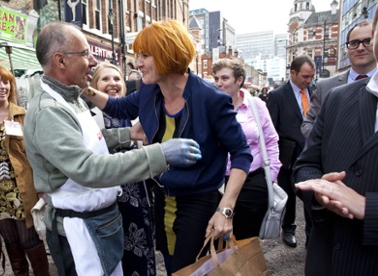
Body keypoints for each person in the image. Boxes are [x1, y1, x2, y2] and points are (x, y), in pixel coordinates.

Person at [23, 21, 201, 276]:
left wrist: (126, 134)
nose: (93, 61)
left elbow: (86, 140)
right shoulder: (49, 111)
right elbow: (87, 168)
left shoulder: (69, 98)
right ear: (60, 61)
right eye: (85, 54)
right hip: (80, 231)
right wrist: (161, 154)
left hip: (97, 223)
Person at [82, 20, 252, 274]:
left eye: (145, 55)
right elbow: (118, 107)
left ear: (167, 53)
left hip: (198, 202)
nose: (137, 63)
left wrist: (225, 210)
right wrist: (81, 88)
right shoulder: (150, 92)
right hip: (162, 199)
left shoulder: (211, 99)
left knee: (188, 268)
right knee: (172, 265)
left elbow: (241, 154)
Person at [292, 11, 378, 275]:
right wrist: (319, 193)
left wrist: (367, 207)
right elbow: (305, 165)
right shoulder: (337, 97)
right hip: (327, 259)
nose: (361, 46)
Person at [0, 61, 49, 275]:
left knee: (29, 239)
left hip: (21, 190)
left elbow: (37, 154)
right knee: (11, 241)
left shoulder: (22, 114)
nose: (3, 86)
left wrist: (42, 187)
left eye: (7, 82)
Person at [90, 62, 156, 275]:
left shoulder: (136, 114)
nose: (112, 83)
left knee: (141, 251)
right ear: (95, 85)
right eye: (105, 79)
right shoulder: (89, 117)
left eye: (117, 79)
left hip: (138, 196)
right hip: (108, 200)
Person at [212, 58, 281, 239]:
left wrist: (270, 177)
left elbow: (271, 141)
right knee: (218, 239)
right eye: (216, 78)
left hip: (252, 183)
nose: (219, 83)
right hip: (219, 183)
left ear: (239, 80)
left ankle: (247, 268)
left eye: (224, 78)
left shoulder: (256, 106)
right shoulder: (211, 107)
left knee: (247, 241)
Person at [266, 55, 315, 248]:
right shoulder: (278, 95)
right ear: (292, 73)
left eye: (311, 76)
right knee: (289, 194)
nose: (308, 81)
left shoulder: (315, 91)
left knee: (312, 195)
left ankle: (313, 235)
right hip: (288, 154)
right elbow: (271, 128)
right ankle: (289, 228)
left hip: (312, 153)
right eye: (305, 76)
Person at [301, 19, 377, 139]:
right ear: (347, 48)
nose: (360, 48)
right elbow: (307, 124)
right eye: (354, 43)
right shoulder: (325, 86)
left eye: (368, 41)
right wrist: (325, 145)